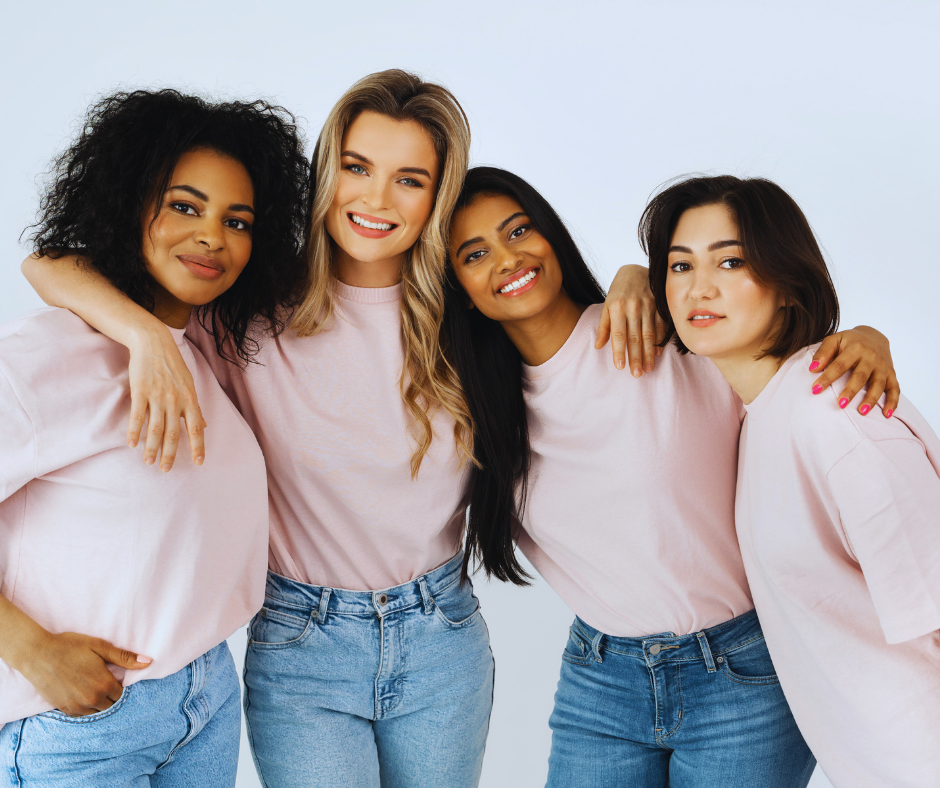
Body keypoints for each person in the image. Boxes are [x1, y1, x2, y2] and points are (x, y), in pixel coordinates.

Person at [443, 166, 900, 787]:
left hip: (741, 672)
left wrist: (864, 337)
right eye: (474, 254)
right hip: (600, 678)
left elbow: (778, 358)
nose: (507, 258)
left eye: (519, 230)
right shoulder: (472, 407)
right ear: (461, 289)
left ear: (552, 235)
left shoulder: (665, 333)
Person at [0, 88, 308, 786]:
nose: (212, 236)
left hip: (204, 697)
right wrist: (30, 649)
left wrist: (148, 335)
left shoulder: (203, 350)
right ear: (129, 202)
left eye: (237, 220)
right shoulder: (46, 355)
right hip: (81, 726)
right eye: (185, 206)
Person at [647, 174, 940, 787]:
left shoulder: (836, 416)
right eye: (680, 266)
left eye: (731, 261)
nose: (700, 287)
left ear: (785, 283)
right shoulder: (762, 414)